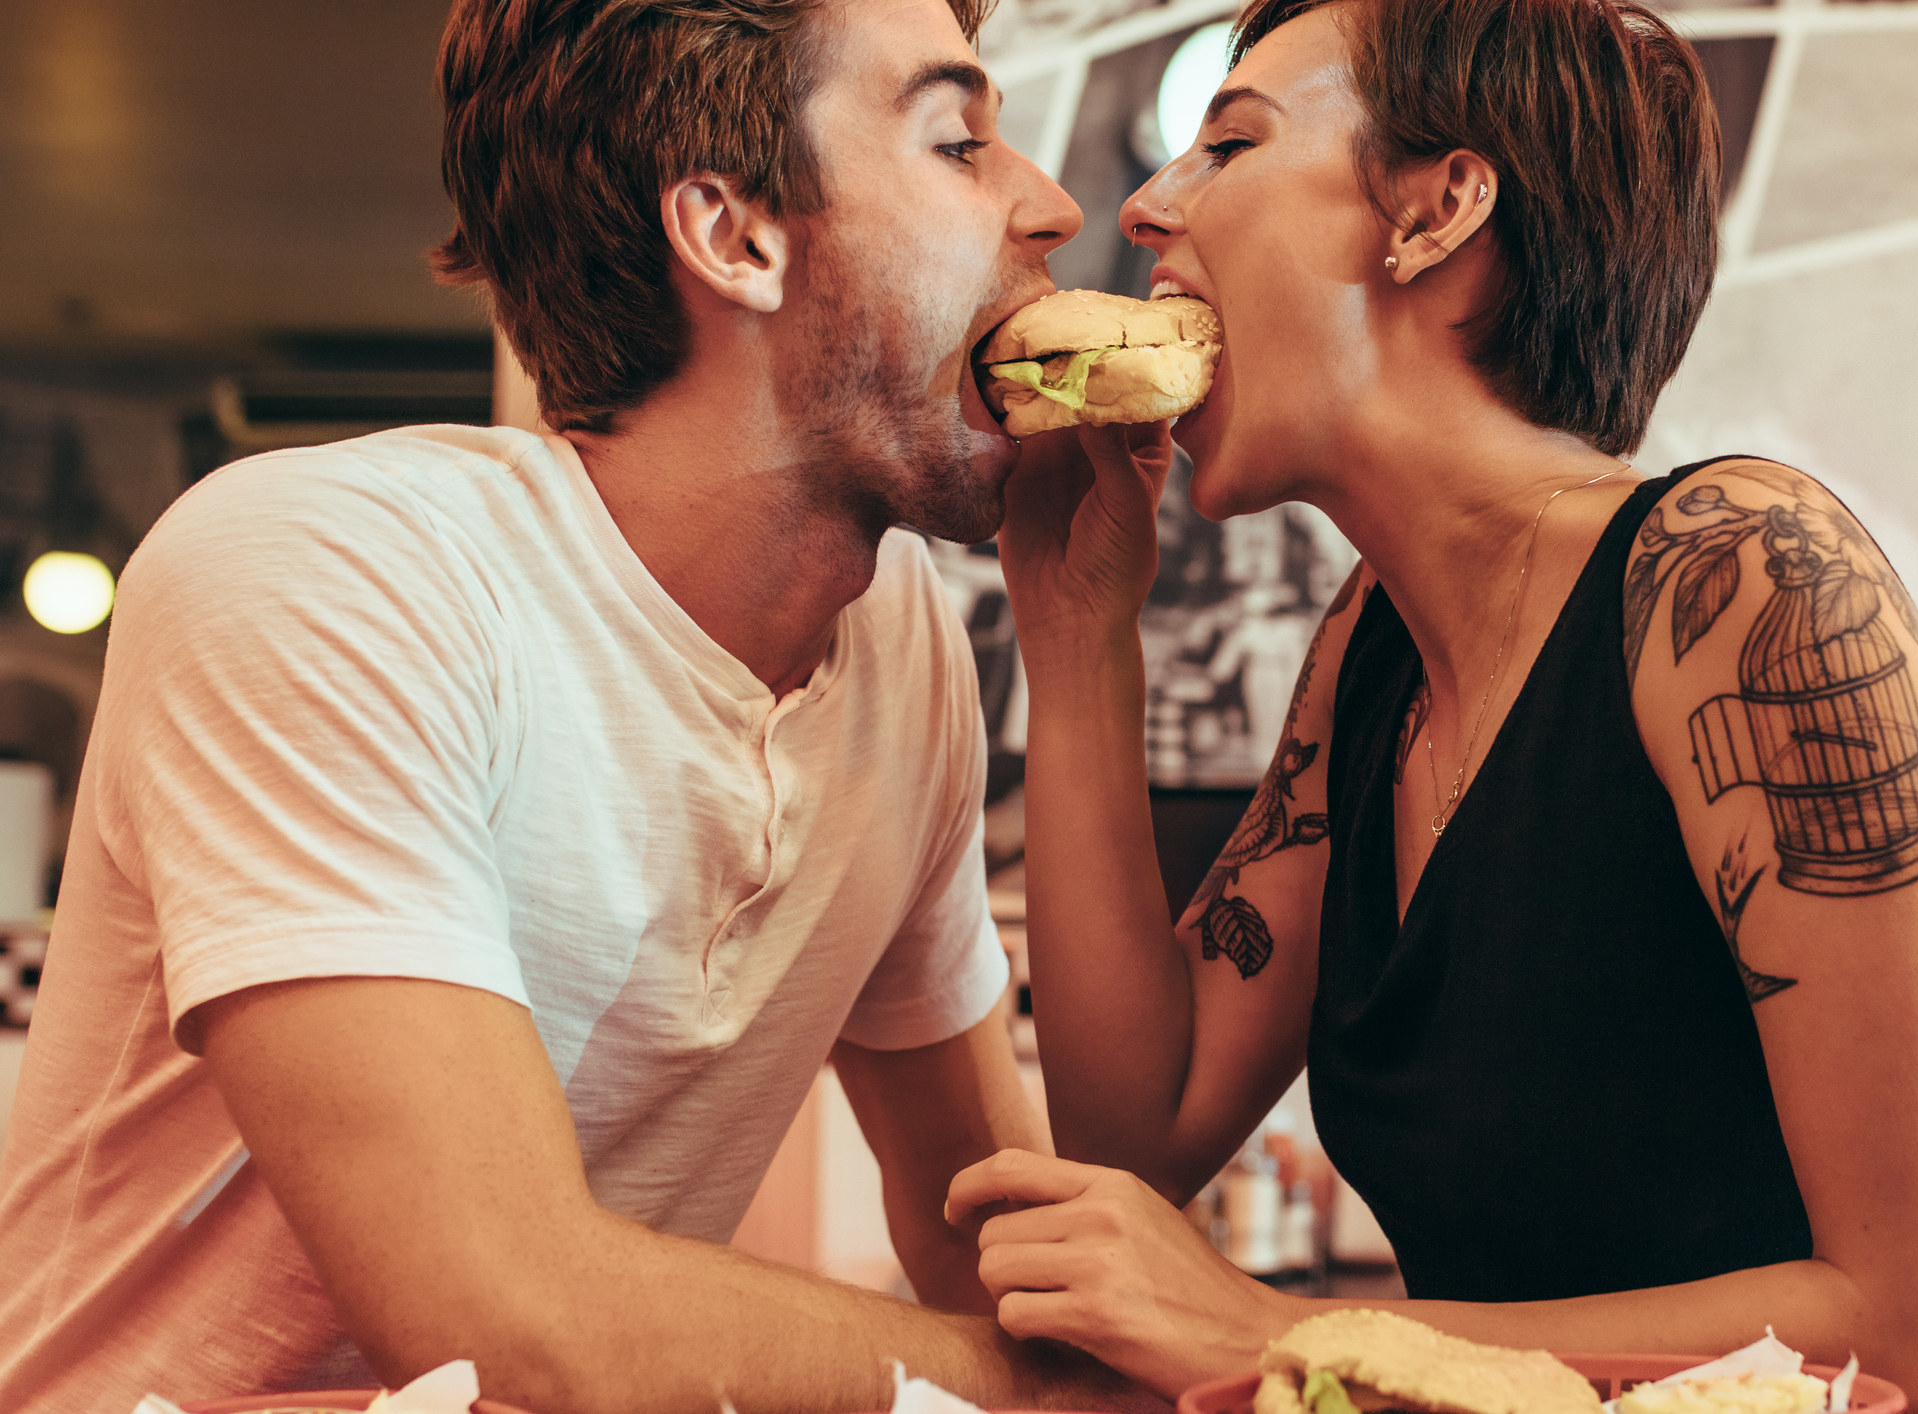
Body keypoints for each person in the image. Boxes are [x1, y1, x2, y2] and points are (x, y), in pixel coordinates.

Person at [0, 1, 1142, 1411]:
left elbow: (992, 1230)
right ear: (733, 233)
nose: (1050, 202)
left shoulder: (899, 644)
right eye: (959, 142)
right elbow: (507, 1316)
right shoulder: (325, 571)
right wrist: (1042, 1388)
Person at [944, 0, 1918, 1410]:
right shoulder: (1372, 652)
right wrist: (1077, 625)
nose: (1146, 206)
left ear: (1435, 210)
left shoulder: (1742, 579)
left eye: (1228, 142)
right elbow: (1140, 1128)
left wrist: (1272, 1331)